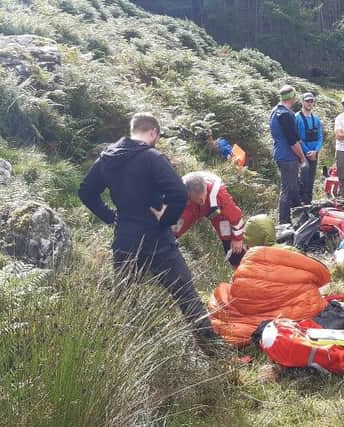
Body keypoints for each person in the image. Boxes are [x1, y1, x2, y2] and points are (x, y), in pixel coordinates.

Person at [77, 112, 218, 348]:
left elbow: (86, 192)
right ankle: (212, 347)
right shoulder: (152, 158)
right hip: (156, 239)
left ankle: (125, 348)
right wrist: (166, 220)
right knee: (185, 293)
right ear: (153, 132)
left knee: (125, 296)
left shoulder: (107, 158)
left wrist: (111, 217)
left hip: (125, 238)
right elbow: (179, 193)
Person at [172, 172, 246, 268]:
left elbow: (235, 216)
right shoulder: (180, 194)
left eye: (203, 197)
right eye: (199, 199)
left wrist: (238, 239)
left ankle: (240, 268)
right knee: (175, 228)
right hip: (190, 207)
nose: (202, 201)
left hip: (214, 209)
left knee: (229, 238)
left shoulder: (219, 194)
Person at [270, 85, 306, 224]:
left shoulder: (275, 111)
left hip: (280, 153)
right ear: (293, 97)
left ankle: (299, 214)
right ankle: (284, 223)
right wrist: (302, 157)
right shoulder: (285, 114)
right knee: (287, 190)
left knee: (293, 186)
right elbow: (292, 141)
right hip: (288, 157)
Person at [296, 92, 324, 204]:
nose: (309, 103)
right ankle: (299, 203)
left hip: (314, 155)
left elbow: (320, 137)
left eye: (311, 101)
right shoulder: (296, 118)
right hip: (301, 154)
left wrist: (315, 151)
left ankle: (308, 202)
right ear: (302, 102)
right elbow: (297, 138)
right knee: (302, 179)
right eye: (307, 101)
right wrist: (308, 152)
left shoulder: (316, 119)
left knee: (311, 180)